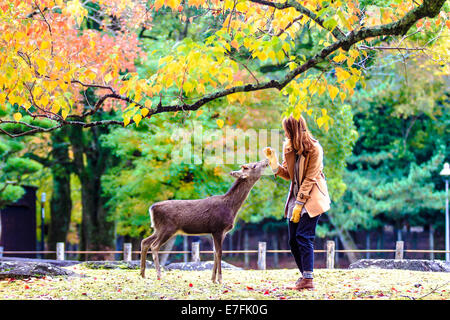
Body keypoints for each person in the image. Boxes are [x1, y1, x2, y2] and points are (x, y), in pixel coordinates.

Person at [264, 115, 331, 290]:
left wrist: (300, 204)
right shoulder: (289, 146)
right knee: (293, 240)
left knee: (304, 236)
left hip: (312, 196)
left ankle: (308, 279)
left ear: (293, 129)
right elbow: (288, 174)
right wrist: (274, 165)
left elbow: (310, 179)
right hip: (296, 196)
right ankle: (305, 278)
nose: (285, 133)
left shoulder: (315, 148)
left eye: (287, 130)